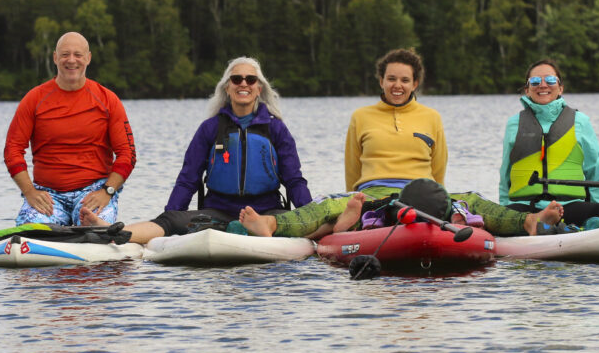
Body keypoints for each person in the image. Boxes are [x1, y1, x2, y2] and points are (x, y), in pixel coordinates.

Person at [240, 48, 563, 239]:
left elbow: (438, 171)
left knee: (472, 199)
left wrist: (434, 195)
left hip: (421, 189)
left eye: (405, 80)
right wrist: (359, 195)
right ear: (381, 81)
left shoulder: (431, 117)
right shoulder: (361, 116)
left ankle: (530, 221)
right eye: (391, 79)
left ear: (415, 83)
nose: (397, 85)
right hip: (373, 190)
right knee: (326, 203)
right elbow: (353, 171)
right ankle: (270, 224)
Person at [80, 56, 312, 243]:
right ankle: (114, 231)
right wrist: (170, 217)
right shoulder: (210, 129)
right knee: (170, 220)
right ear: (227, 88)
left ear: (259, 88)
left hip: (267, 213)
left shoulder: (276, 129)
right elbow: (188, 179)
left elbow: (294, 181)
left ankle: (264, 228)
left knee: (300, 221)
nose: (243, 84)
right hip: (218, 212)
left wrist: (310, 215)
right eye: (237, 79)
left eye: (250, 80)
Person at [4, 32, 136, 226]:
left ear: (88, 58)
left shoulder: (108, 100)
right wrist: (30, 192)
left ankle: (99, 233)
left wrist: (107, 191)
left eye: (78, 55)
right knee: (32, 232)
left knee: (94, 228)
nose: (71, 60)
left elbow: (127, 154)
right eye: (65, 54)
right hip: (48, 196)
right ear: (55, 58)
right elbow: (12, 150)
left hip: (94, 192)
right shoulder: (34, 99)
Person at [499, 59, 599, 229]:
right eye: (535, 81)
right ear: (527, 90)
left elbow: (593, 171)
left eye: (551, 80)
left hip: (570, 207)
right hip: (525, 210)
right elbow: (506, 173)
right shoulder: (514, 124)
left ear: (560, 87)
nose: (543, 85)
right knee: (500, 218)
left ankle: (595, 225)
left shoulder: (581, 121)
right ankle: (561, 227)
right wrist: (503, 211)